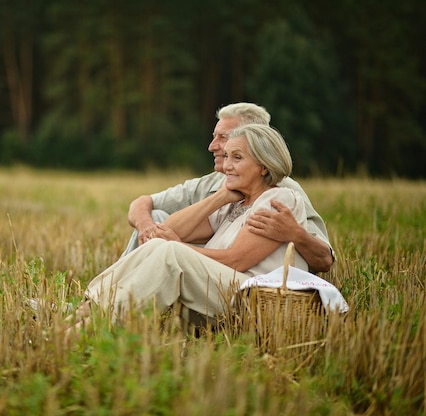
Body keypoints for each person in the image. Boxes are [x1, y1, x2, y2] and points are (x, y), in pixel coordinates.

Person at [69, 124, 309, 330]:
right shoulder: (234, 203)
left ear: (263, 166)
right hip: (222, 288)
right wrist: (221, 197)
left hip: (250, 298)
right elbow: (166, 230)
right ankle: (85, 312)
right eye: (226, 157)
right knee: (160, 245)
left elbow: (236, 261)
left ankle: (98, 326)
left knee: (171, 252)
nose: (226, 165)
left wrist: (178, 246)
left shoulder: (278, 200)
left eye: (237, 158)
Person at [122, 103, 334, 273]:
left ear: (257, 143)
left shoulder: (283, 192)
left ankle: (112, 303)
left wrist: (296, 234)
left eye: (223, 137)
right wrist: (147, 227)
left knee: (164, 246)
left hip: (230, 275)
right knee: (156, 219)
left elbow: (324, 260)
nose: (212, 146)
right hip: (211, 260)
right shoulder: (215, 181)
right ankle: (111, 296)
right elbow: (142, 203)